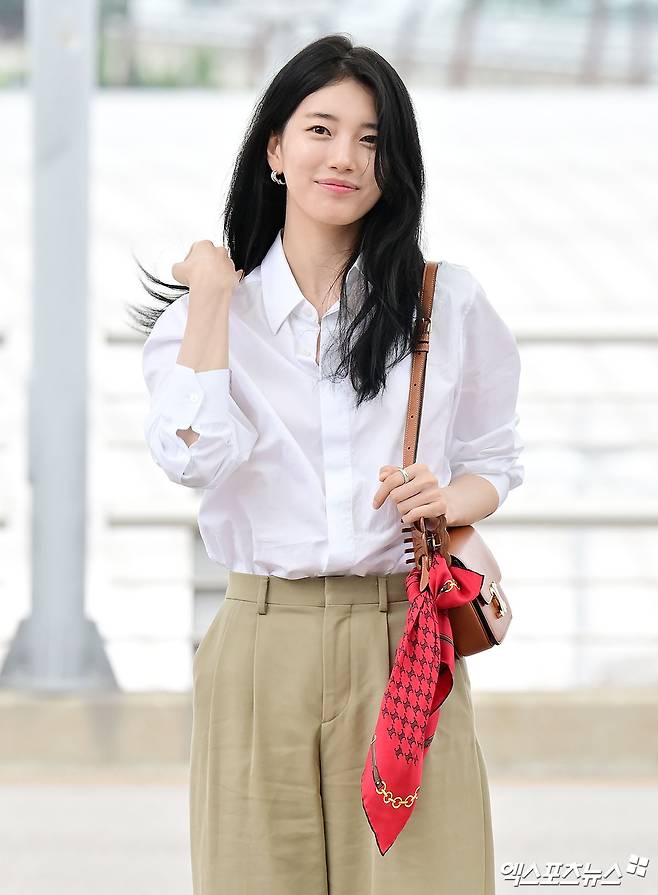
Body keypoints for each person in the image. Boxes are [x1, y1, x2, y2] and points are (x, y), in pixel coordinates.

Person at [131, 33, 524, 895]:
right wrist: (212, 299)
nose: (345, 156)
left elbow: (495, 461)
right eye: (321, 130)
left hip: (404, 637)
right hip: (261, 638)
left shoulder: (444, 302)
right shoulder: (208, 318)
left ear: (394, 166)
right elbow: (192, 458)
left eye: (372, 139)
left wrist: (445, 495)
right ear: (274, 149)